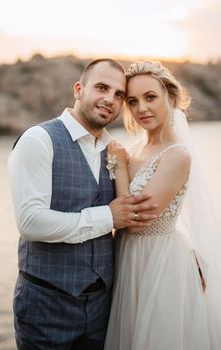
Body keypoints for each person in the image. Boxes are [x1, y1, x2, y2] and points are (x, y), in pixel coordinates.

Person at [8, 58, 158, 350]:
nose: (110, 100)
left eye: (118, 95)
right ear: (79, 89)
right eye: (102, 87)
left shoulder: (115, 151)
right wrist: (108, 217)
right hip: (46, 308)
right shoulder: (39, 140)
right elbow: (30, 222)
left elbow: (144, 216)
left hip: (103, 309)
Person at [104, 61, 221, 350]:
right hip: (127, 257)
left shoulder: (177, 155)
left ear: (170, 97)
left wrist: (119, 167)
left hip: (160, 261)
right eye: (132, 101)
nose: (141, 108)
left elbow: (137, 218)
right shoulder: (134, 150)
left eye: (150, 97)